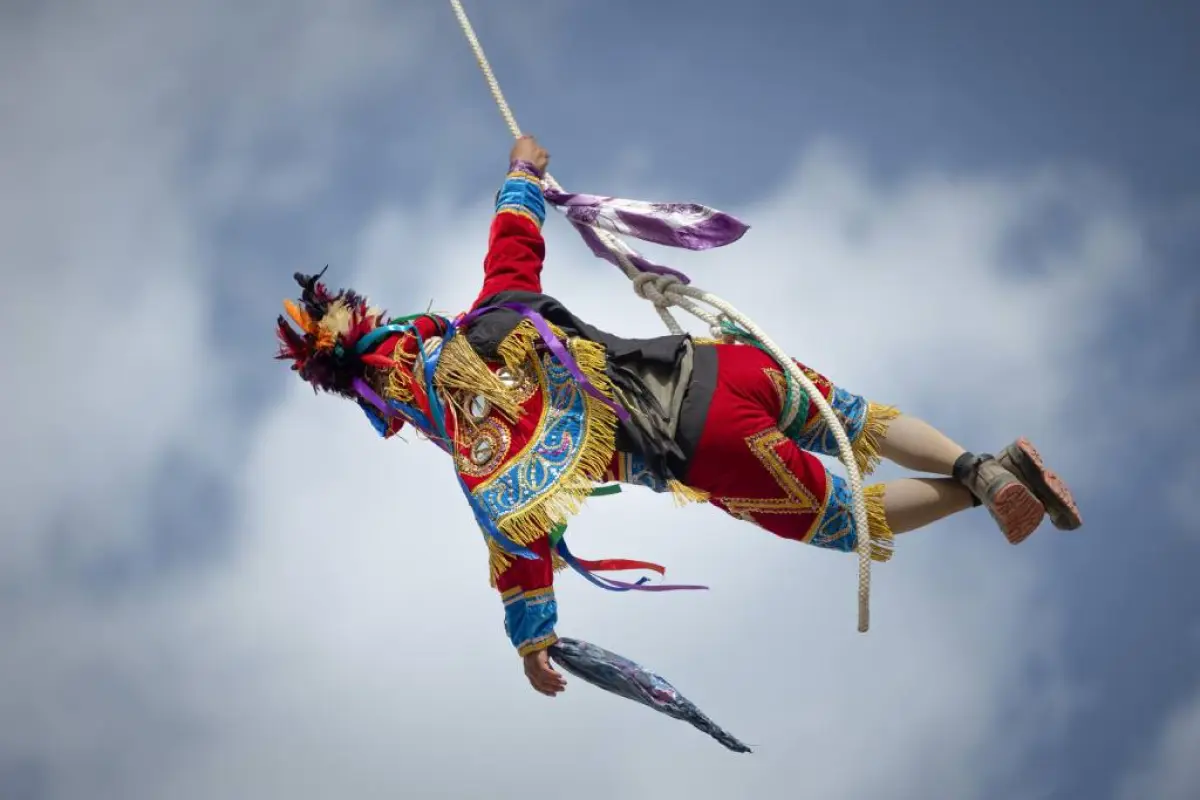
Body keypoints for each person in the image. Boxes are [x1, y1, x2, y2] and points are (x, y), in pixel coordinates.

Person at [275, 136, 1082, 698]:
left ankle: (986, 490)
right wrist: (521, 171)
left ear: (384, 405)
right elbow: (513, 243)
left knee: (854, 522)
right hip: (713, 362)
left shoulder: (482, 450)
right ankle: (979, 461)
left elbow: (517, 539)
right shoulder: (489, 316)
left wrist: (532, 640)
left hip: (708, 449)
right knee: (849, 415)